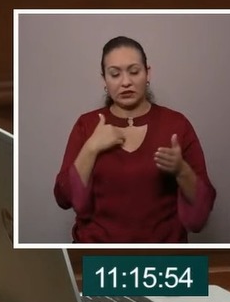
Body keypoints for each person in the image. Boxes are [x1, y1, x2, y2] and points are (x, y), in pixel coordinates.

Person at [53, 36, 217, 244]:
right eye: (115, 74)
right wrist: (91, 147)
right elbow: (64, 198)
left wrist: (182, 170)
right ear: (104, 80)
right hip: (97, 253)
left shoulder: (177, 125)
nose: (125, 82)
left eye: (134, 71)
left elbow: (203, 210)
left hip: (162, 255)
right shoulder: (86, 125)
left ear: (148, 73)